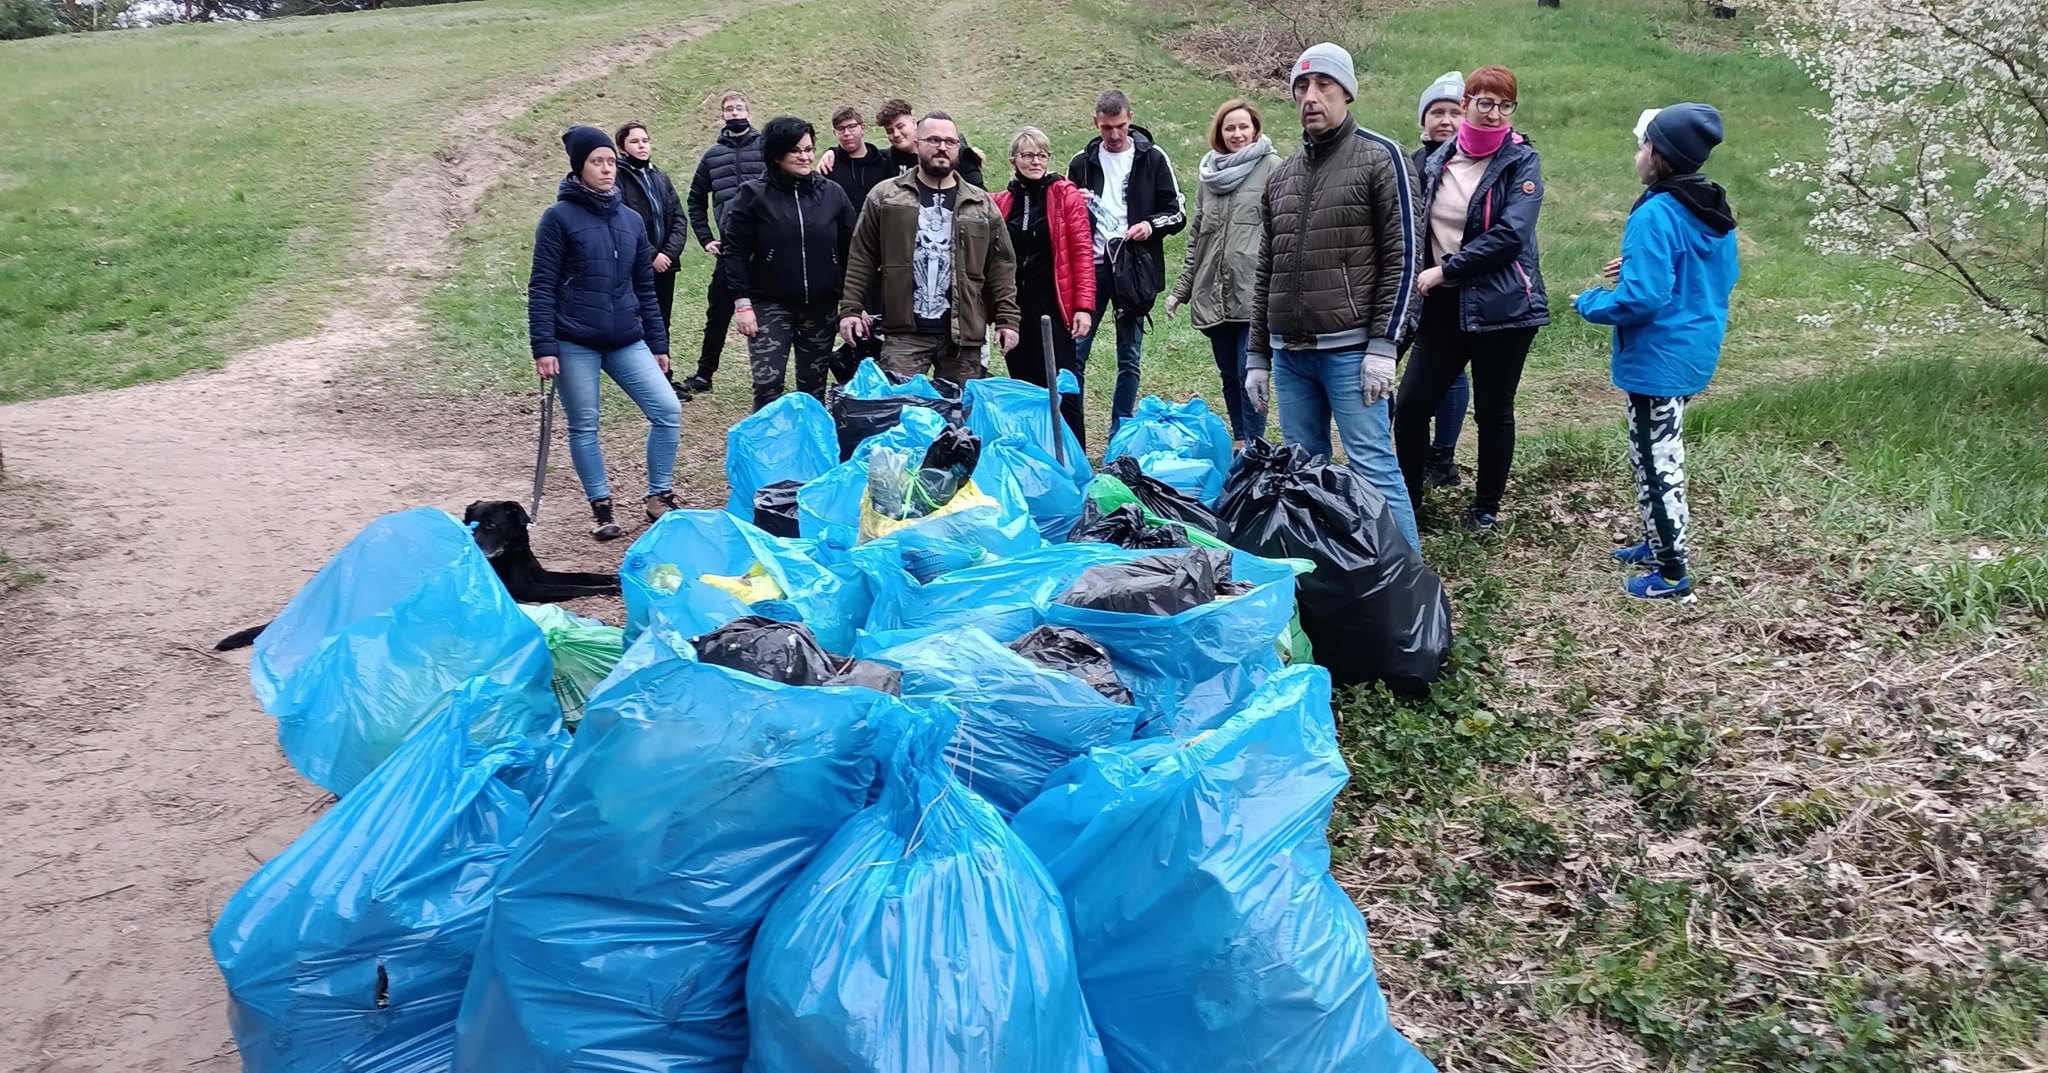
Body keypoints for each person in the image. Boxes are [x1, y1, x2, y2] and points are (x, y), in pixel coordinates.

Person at [1245, 43, 1421, 551]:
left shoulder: (1381, 157)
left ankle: (1408, 584)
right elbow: (1267, 271)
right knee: (1305, 469)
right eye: (1302, 86)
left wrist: (1384, 345)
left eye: (1323, 84)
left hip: (1351, 352)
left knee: (1373, 464)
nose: (1311, 96)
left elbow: (1403, 257)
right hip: (1290, 354)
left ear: (1346, 91)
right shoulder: (1280, 177)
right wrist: (1258, 354)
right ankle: (1332, 580)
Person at [1573, 104, 1737, 602]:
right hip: (1693, 349)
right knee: (1653, 451)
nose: (1638, 154)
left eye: (1643, 145)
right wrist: (1643, 262)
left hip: (1657, 358)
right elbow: (1716, 273)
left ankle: (1671, 574)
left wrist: (1591, 302)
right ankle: (1655, 540)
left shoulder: (1656, 211)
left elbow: (1641, 299)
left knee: (1656, 458)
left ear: (1659, 155)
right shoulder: (1707, 204)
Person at [1393, 65, 1549, 535]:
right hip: (1443, 308)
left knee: (1493, 411)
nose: (1494, 114)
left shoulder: (1521, 162)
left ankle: (1485, 508)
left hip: (1505, 308)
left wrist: (1447, 269)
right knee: (1413, 407)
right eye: (1485, 103)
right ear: (1466, 105)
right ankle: (1410, 500)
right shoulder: (1439, 159)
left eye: (1505, 105)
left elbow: (1510, 234)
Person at [528, 126, 682, 541]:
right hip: (573, 339)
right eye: (597, 162)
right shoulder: (558, 218)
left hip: (626, 338)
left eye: (611, 161)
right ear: (579, 167)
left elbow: (644, 287)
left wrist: (658, 344)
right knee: (585, 425)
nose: (607, 169)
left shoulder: (631, 220)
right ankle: (601, 506)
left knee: (668, 411)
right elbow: (542, 284)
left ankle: (658, 495)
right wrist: (544, 345)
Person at [838, 112, 1019, 385]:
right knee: (899, 414)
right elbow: (862, 254)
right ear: (917, 144)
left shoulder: (981, 205)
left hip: (963, 336)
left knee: (961, 418)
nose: (942, 147)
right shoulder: (886, 196)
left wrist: (1007, 318)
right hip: (904, 333)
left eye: (950, 141)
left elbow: (1001, 265)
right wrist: (851, 308)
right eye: (934, 139)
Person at [1068, 88, 1186, 439]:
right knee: (1075, 353)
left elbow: (1177, 212)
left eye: (1120, 126)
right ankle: (1073, 431)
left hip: (1133, 269)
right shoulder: (1081, 163)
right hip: (1091, 268)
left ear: (1130, 119)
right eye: (1107, 128)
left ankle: (1121, 429)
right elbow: (1066, 215)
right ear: (1095, 123)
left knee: (1129, 355)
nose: (1115, 134)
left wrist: (1149, 225)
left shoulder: (1153, 158)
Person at [721, 116, 857, 411]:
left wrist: (854, 303)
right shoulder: (752, 195)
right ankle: (766, 450)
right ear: (776, 154)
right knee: (768, 384)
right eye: (796, 150)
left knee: (813, 386)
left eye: (809, 149)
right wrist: (742, 304)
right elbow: (734, 252)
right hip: (770, 305)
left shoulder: (832, 194)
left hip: (821, 307)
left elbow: (854, 250)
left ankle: (811, 449)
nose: (805, 156)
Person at [1164, 98, 1278, 448]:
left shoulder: (1273, 168)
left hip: (1253, 294)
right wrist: (1180, 291)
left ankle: (1257, 445)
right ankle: (1241, 440)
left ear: (1256, 129)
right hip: (1214, 294)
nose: (1237, 133)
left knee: (1249, 373)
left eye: (1244, 126)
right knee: (1229, 374)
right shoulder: (1209, 176)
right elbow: (1198, 238)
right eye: (1230, 127)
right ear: (1220, 132)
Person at [991, 127, 1094, 441]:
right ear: (1014, 159)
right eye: (1027, 155)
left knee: (1063, 386)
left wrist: (1084, 307)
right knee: (1025, 386)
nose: (1035, 161)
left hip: (1053, 305)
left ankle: (1075, 460)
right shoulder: (1003, 201)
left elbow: (1082, 251)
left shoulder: (1065, 194)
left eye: (1041, 155)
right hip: (1014, 309)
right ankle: (1038, 454)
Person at [681, 91, 766, 396]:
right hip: (729, 250)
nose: (734, 112)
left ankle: (770, 380)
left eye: (739, 107)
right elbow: (694, 200)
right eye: (729, 109)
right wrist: (705, 238)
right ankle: (704, 375)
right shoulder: (712, 156)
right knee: (717, 313)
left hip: (766, 250)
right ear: (722, 116)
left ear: (750, 112)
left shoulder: (766, 148)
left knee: (772, 314)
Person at [1411, 72, 1471, 488]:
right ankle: (1415, 447)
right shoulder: (1414, 162)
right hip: (1418, 283)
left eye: (1454, 112)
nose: (1445, 120)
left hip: (1459, 283)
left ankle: (1443, 455)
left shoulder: (1470, 163)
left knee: (1452, 373)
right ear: (1423, 120)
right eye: (1437, 112)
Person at [613, 121, 687, 385]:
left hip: (666, 264)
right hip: (638, 265)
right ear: (622, 148)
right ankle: (646, 380)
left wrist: (668, 253)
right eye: (635, 141)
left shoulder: (660, 176)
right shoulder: (618, 179)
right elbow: (624, 222)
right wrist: (651, 255)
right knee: (640, 323)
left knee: (661, 322)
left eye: (645, 140)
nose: (642, 146)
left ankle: (663, 377)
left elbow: (678, 218)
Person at [822, 97, 987, 188]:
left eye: (900, 127)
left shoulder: (952, 153)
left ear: (914, 123)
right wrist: (833, 152)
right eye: (889, 131)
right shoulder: (888, 159)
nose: (896, 134)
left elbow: (979, 196)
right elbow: (861, 156)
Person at [822, 105, 894, 211]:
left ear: (863, 128)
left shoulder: (884, 164)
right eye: (841, 129)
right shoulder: (828, 167)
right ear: (834, 133)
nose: (847, 133)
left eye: (852, 126)